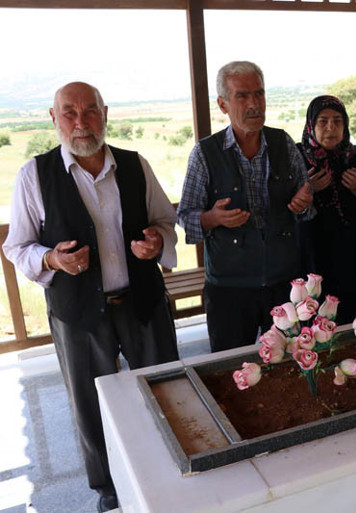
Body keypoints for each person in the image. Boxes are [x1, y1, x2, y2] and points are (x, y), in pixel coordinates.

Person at [2, 82, 179, 513]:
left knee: (164, 390)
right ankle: (109, 491)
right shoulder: (34, 175)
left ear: (105, 113)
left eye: (90, 111)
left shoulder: (135, 165)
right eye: (69, 113)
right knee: (91, 404)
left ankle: (172, 469)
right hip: (79, 314)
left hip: (141, 302)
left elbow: (164, 221)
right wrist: (52, 260)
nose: (80, 122)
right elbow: (16, 247)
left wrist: (157, 241)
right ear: (53, 117)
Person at [177, 61, 314, 353]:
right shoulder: (205, 153)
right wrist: (212, 218)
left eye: (259, 94)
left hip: (283, 283)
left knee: (290, 364)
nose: (254, 104)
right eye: (242, 96)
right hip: (229, 288)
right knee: (230, 369)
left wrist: (303, 203)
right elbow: (185, 215)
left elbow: (305, 204)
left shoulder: (283, 143)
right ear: (223, 104)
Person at [297, 95, 356, 323]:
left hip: (351, 249)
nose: (331, 127)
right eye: (323, 121)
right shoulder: (298, 157)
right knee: (314, 317)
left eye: (338, 121)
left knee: (353, 314)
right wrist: (309, 190)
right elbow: (287, 204)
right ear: (311, 124)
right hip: (310, 251)